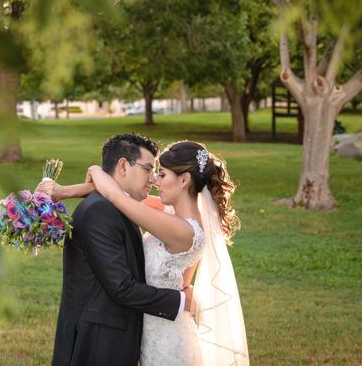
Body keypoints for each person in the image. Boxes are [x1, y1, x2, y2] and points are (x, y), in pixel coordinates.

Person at [40, 140, 249, 366]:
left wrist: (95, 169)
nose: (155, 180)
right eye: (152, 172)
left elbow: (117, 197)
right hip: (151, 327)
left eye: (162, 174)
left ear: (184, 180)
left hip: (167, 337)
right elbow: (121, 193)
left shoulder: (181, 229)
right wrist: (65, 191)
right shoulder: (173, 213)